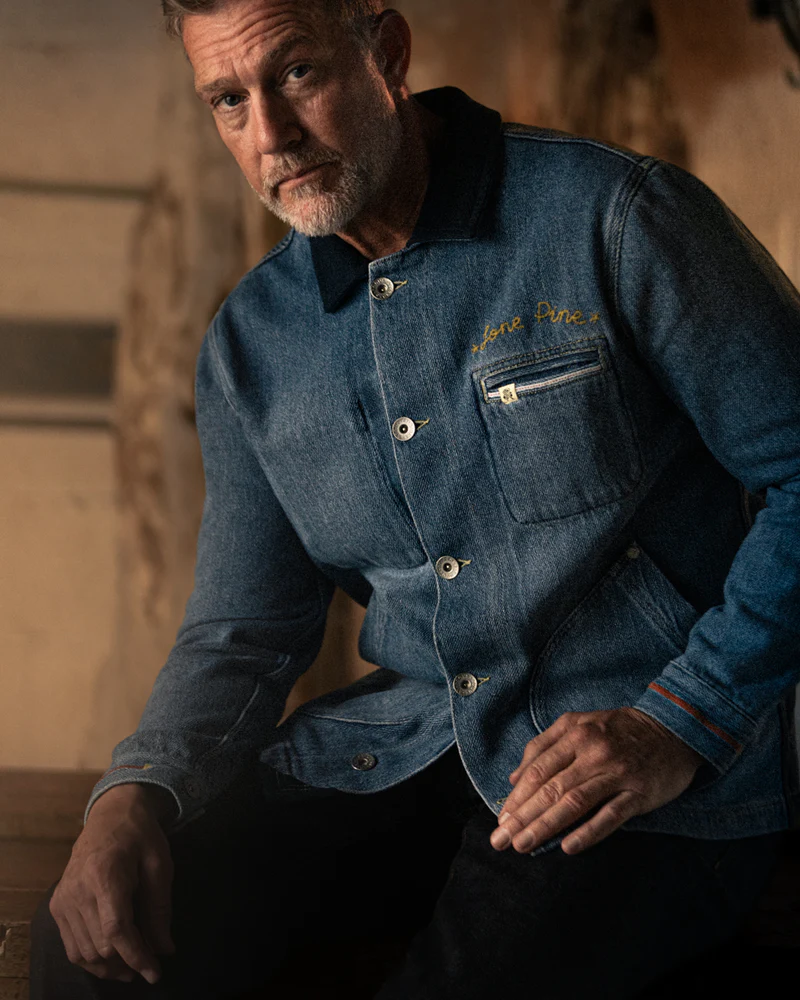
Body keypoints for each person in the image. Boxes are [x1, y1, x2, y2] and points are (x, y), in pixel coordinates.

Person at [31, 0, 800, 997]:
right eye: (228, 100)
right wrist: (131, 793)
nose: (270, 134)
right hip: (402, 748)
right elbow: (242, 629)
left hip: (640, 770)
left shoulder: (616, 216)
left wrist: (681, 720)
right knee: (91, 951)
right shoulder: (253, 344)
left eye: (296, 73)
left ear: (385, 52)